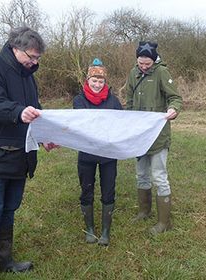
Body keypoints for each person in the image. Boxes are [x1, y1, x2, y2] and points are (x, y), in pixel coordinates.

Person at [0, 25, 59, 279]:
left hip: (18, 157)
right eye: (31, 57)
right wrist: (18, 112)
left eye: (38, 58)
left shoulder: (28, 76)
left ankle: (4, 260)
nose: (35, 62)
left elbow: (36, 113)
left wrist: (44, 137)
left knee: (9, 209)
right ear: (14, 48)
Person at [126, 41, 183, 233]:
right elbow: (129, 102)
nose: (143, 67)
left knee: (159, 177)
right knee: (141, 175)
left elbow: (175, 97)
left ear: (154, 60)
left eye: (147, 64)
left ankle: (164, 223)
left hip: (158, 135)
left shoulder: (161, 72)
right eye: (141, 63)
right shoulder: (133, 74)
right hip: (139, 135)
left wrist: (173, 109)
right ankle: (145, 212)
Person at [73, 59, 123, 246]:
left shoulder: (113, 101)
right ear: (88, 80)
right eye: (94, 80)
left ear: (105, 82)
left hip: (108, 156)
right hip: (86, 154)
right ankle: (90, 229)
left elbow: (121, 124)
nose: (97, 84)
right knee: (86, 190)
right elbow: (81, 125)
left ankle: (105, 231)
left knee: (108, 192)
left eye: (101, 81)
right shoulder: (79, 100)